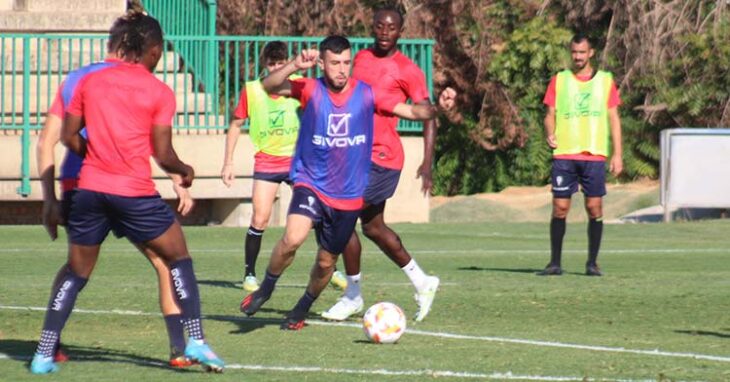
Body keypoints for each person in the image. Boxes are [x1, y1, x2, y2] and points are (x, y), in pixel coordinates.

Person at [30, 12, 224, 374]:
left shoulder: (90, 81)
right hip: (133, 193)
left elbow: (66, 137)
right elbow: (163, 154)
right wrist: (185, 172)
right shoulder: (158, 91)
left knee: (76, 271)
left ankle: (43, 352)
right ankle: (194, 340)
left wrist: (97, 156)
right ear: (153, 51)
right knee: (177, 257)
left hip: (87, 191)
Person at [239, 35, 456, 330]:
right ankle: (265, 287)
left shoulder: (366, 94)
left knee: (327, 262)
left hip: (348, 193)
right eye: (334, 63)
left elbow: (415, 111)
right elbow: (269, 86)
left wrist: (439, 108)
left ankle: (302, 307)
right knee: (292, 238)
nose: (341, 69)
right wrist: (293, 64)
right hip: (311, 181)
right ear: (323, 64)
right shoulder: (311, 88)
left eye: (346, 62)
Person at [322, 6, 442, 322]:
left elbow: (428, 116)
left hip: (384, 157)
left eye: (392, 27)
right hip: (354, 156)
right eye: (380, 26)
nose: (385, 32)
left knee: (343, 216)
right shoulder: (359, 59)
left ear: (401, 31)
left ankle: (352, 295)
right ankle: (423, 281)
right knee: (373, 228)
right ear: (373, 27)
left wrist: (427, 163)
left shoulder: (408, 70)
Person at [221, 41, 347, 292]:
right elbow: (235, 124)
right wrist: (228, 161)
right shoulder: (254, 90)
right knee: (260, 217)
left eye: (281, 62)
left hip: (299, 162)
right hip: (267, 160)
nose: (277, 67)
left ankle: (331, 267)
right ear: (264, 65)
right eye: (272, 63)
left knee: (318, 214)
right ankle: (249, 274)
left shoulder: (298, 85)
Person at [537, 32, 623, 277]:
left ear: (591, 53)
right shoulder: (560, 80)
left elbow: (614, 119)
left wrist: (618, 154)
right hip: (564, 154)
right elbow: (549, 114)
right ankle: (554, 263)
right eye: (574, 52)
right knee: (559, 207)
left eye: (582, 52)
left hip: (594, 155)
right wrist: (550, 132)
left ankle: (592, 263)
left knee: (595, 208)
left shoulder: (605, 81)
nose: (577, 57)